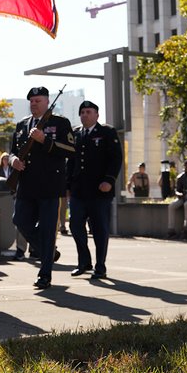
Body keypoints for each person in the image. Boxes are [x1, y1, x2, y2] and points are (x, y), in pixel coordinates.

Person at [10, 87, 75, 289]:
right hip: (27, 185)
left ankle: (44, 274)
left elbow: (71, 150)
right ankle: (48, 250)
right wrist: (13, 162)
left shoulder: (60, 123)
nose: (34, 103)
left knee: (47, 230)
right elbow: (12, 151)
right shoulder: (22, 125)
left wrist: (44, 140)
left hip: (50, 185)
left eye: (38, 100)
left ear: (47, 102)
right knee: (19, 220)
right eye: (32, 101)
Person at [66, 100, 122, 279]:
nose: (84, 115)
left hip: (100, 191)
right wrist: (67, 186)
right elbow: (71, 162)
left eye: (88, 112)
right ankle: (84, 261)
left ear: (97, 115)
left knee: (99, 229)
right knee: (75, 225)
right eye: (82, 112)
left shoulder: (107, 132)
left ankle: (100, 265)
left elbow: (116, 159)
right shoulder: (75, 134)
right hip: (79, 191)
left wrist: (109, 181)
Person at [167, 160, 187, 238]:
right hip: (185, 196)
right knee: (171, 206)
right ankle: (171, 229)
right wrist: (179, 194)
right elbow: (177, 190)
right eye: (186, 167)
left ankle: (186, 228)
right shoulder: (181, 177)